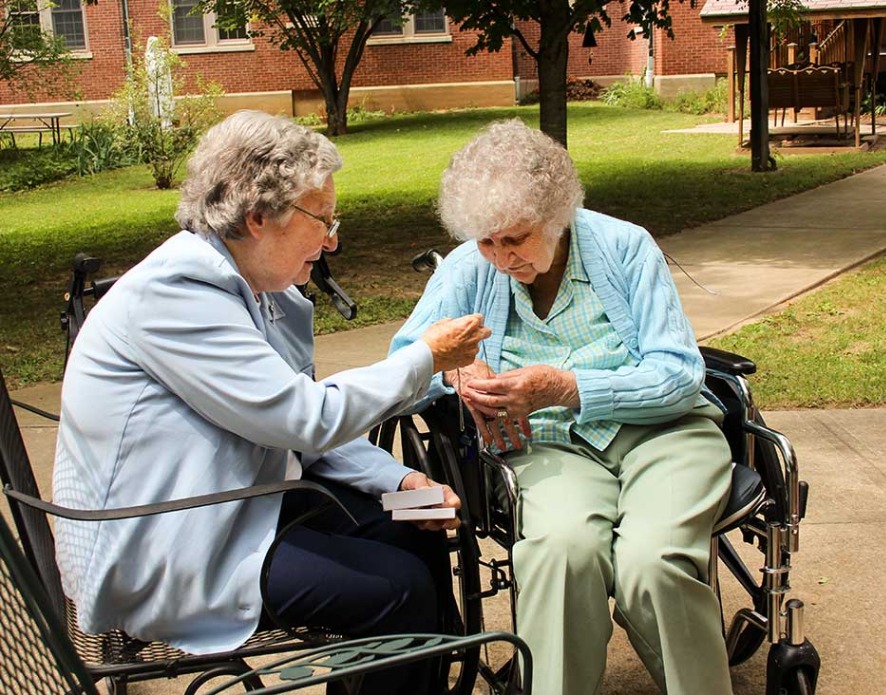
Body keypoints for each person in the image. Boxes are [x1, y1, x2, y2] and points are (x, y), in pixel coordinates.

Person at [52, 110, 490, 695]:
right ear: (258, 217)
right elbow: (306, 418)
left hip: (237, 506)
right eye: (322, 219)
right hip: (168, 544)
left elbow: (299, 423)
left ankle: (420, 679)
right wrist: (426, 358)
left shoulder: (261, 294)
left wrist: (403, 481)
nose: (333, 238)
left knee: (418, 525)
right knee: (396, 589)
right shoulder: (175, 297)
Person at [390, 119, 734, 695]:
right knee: (559, 552)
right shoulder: (468, 266)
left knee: (654, 564)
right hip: (550, 448)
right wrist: (454, 367)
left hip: (664, 432)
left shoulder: (625, 247)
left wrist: (565, 387)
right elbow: (404, 360)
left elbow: (678, 374)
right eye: (486, 241)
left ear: (558, 216)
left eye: (516, 239)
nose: (500, 258)